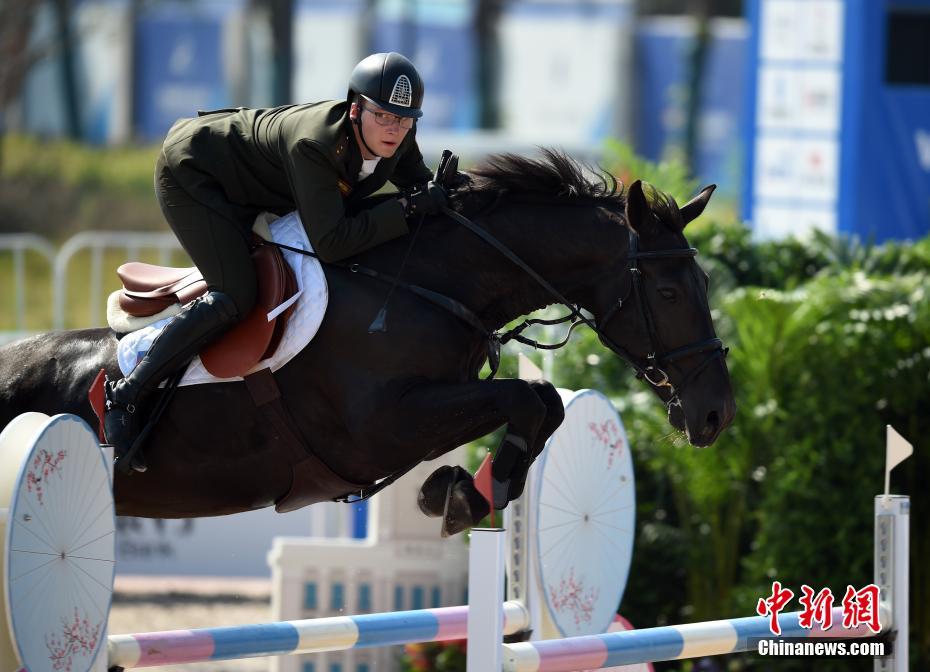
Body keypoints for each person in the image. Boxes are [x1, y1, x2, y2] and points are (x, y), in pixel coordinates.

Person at [105, 52, 448, 473]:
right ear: (355, 109)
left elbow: (422, 188)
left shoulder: (396, 137)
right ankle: (125, 395)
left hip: (250, 183)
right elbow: (333, 242)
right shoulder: (316, 145)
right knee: (236, 294)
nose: (395, 129)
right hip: (196, 174)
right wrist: (409, 209)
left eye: (406, 119)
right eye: (384, 117)